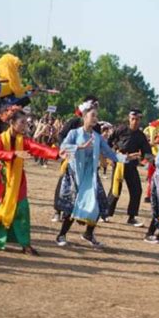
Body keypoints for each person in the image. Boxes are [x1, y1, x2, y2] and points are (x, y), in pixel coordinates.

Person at [56, 100, 138, 248]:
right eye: (92, 115)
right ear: (84, 116)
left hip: (91, 175)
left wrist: (126, 158)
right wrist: (79, 147)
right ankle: (61, 235)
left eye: (96, 116)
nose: (95, 119)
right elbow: (63, 148)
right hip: (76, 174)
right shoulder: (74, 133)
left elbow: (109, 154)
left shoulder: (97, 137)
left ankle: (88, 233)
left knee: (99, 204)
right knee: (73, 206)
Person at [0, 110, 61, 254]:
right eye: (22, 122)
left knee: (22, 210)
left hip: (17, 179)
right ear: (12, 123)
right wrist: (14, 154)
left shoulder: (24, 140)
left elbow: (38, 148)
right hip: (0, 178)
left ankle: (25, 245)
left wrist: (57, 153)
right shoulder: (0, 138)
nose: (24, 126)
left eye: (25, 122)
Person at [107, 109, 152, 227]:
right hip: (119, 164)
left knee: (137, 190)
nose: (135, 122)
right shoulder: (120, 129)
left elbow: (147, 152)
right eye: (133, 119)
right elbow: (109, 142)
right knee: (115, 190)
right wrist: (112, 154)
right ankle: (106, 213)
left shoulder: (141, 136)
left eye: (137, 119)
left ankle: (132, 217)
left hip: (131, 165)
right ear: (129, 119)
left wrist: (154, 161)